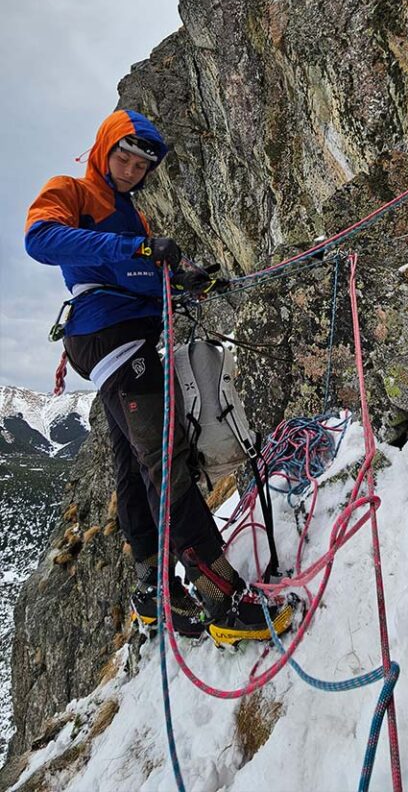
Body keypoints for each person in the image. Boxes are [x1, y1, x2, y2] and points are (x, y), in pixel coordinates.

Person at [25, 108, 292, 644]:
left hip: (121, 341)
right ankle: (222, 596)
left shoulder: (134, 219)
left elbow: (146, 278)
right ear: (104, 151)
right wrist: (135, 248)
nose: (130, 171)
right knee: (165, 461)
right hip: (114, 338)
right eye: (123, 158)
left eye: (141, 165)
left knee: (135, 464)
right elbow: (40, 239)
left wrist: (188, 281)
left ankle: (153, 590)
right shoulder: (72, 192)